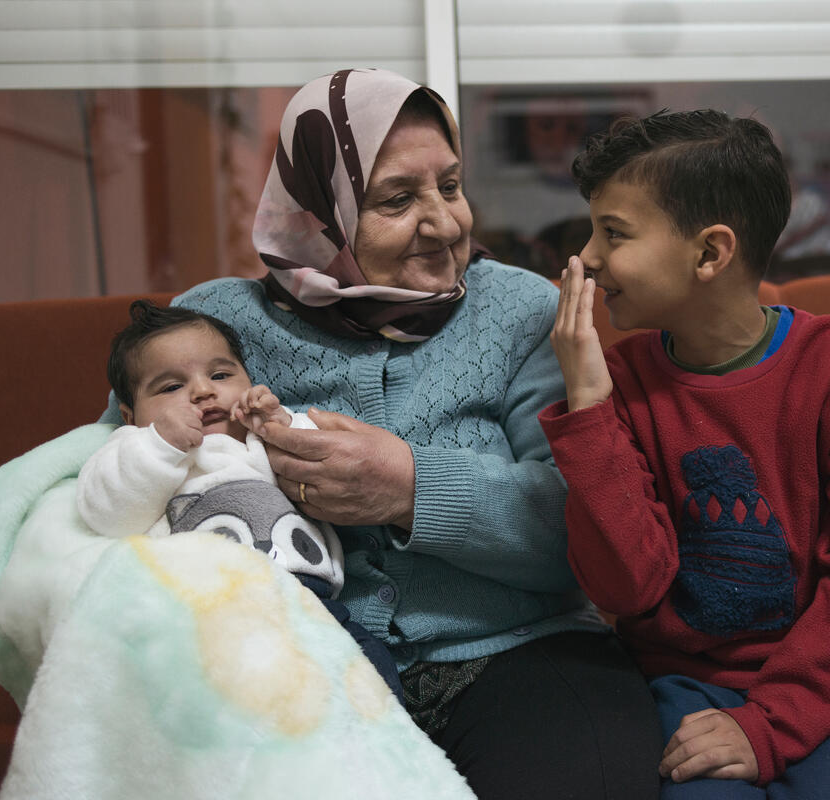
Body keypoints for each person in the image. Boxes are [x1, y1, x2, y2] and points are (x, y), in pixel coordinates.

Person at [101, 68, 661, 800]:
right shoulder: (212, 325)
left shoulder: (523, 309)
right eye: (398, 199)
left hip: (520, 650)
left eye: (451, 186)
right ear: (318, 211)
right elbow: (107, 487)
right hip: (290, 661)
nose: (447, 222)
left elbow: (584, 535)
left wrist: (408, 486)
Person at [538, 109, 830, 799]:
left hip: (829, 687)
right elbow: (626, 589)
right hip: (683, 685)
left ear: (711, 253)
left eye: (615, 233)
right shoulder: (618, 382)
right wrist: (589, 408)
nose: (589, 258)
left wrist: (770, 722)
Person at [80, 299, 405, 702]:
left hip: (309, 603)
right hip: (204, 616)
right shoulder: (136, 449)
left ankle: (376, 752)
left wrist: (280, 424)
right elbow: (107, 512)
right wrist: (159, 445)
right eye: (171, 387)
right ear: (130, 416)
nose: (202, 391)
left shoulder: (259, 436)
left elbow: (324, 460)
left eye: (220, 374)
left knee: (372, 673)